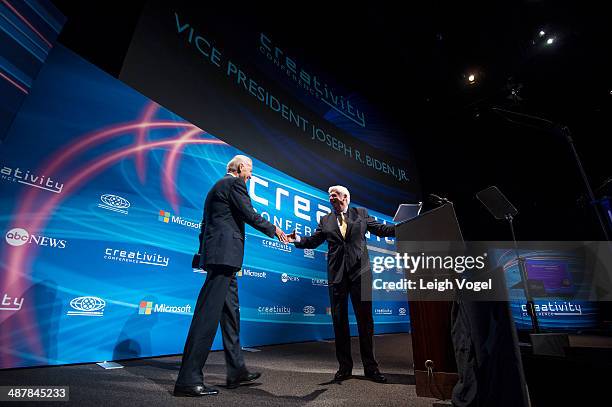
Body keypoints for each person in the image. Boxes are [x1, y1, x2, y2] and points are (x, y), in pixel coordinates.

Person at [174, 155, 288, 397]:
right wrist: (274, 229)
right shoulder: (234, 184)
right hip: (224, 257)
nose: (251, 175)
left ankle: (236, 371)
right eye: (250, 170)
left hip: (220, 257)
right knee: (207, 317)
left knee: (230, 315)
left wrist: (202, 253)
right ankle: (188, 379)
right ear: (240, 167)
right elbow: (249, 213)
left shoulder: (216, 187)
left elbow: (205, 226)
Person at [288, 185, 394, 383]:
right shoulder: (325, 219)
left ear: (345, 197)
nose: (331, 198)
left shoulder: (360, 213)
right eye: (329, 196)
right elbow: (313, 240)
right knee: (339, 322)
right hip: (337, 276)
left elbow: (381, 230)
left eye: (334, 195)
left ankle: (371, 368)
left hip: (360, 274)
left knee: (365, 322)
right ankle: (345, 367)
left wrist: (404, 228)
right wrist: (297, 240)